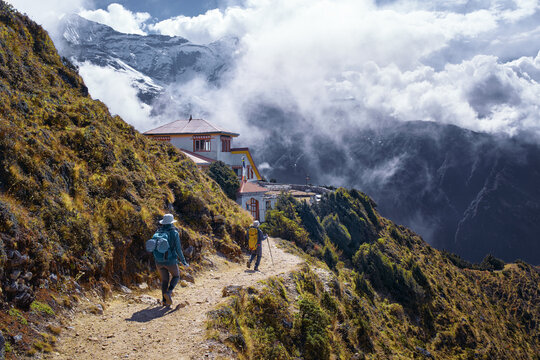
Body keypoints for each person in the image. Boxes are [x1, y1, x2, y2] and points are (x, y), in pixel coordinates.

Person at [154, 213, 189, 306]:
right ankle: (169, 292)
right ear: (171, 222)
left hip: (158, 261)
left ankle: (164, 302)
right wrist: (184, 261)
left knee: (165, 280)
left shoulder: (158, 232)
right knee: (176, 276)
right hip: (171, 261)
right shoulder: (174, 233)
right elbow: (178, 249)